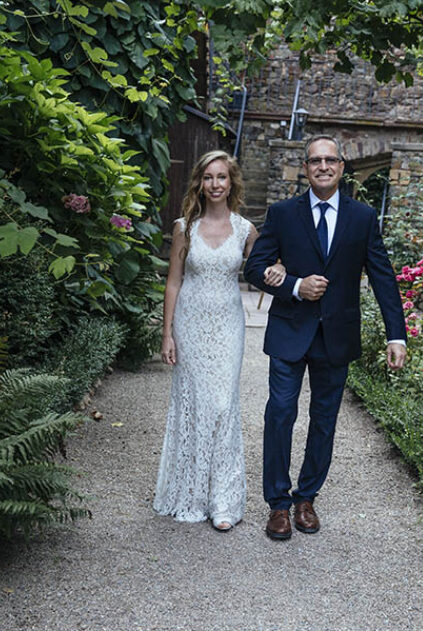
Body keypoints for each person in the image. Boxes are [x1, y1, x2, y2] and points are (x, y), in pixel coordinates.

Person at [244, 135, 407, 541]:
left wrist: (396, 335)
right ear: (305, 167)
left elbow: (383, 276)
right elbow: (255, 267)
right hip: (289, 331)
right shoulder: (283, 214)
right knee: (280, 413)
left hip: (336, 334)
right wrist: (295, 286)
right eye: (315, 160)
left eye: (330, 160)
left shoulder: (363, 217)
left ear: (341, 166)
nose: (322, 166)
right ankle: (278, 504)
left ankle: (306, 499)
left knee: (324, 420)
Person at [153, 150, 285, 532]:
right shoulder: (184, 227)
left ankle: (223, 500)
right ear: (200, 182)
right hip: (189, 323)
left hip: (228, 325)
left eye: (222, 177)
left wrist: (280, 268)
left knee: (224, 405)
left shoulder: (245, 229)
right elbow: (174, 282)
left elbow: (264, 265)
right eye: (208, 177)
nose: (215, 184)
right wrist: (167, 334)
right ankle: (191, 494)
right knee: (193, 405)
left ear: (232, 183)